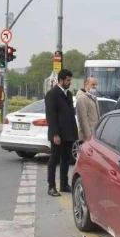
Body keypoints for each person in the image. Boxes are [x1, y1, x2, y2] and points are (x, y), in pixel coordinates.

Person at [44, 69, 79, 197]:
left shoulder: (68, 94)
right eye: (68, 80)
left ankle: (64, 184)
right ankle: (51, 186)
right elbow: (51, 116)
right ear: (61, 80)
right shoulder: (52, 94)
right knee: (54, 159)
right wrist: (55, 134)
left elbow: (70, 115)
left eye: (70, 80)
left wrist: (75, 133)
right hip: (58, 134)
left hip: (69, 134)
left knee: (66, 159)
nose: (70, 83)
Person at [76, 76, 100, 143]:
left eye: (96, 85)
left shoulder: (93, 97)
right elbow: (83, 119)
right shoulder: (82, 98)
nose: (95, 86)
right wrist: (89, 137)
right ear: (86, 85)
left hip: (94, 135)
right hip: (86, 138)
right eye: (92, 84)